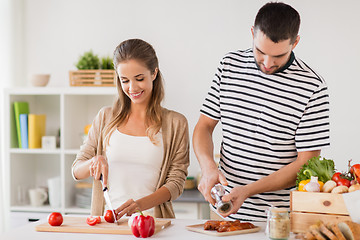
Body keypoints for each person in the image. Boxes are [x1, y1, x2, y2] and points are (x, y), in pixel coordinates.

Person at [193, 2, 330, 222]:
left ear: (295, 42)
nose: (267, 63)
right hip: (226, 213)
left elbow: (306, 163)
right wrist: (208, 167)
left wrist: (248, 190)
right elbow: (204, 127)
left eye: (278, 56)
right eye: (260, 51)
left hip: (279, 219)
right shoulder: (229, 65)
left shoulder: (312, 86)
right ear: (252, 34)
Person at [72, 39, 190, 219]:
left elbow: (176, 182)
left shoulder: (176, 123)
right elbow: (76, 171)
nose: (132, 88)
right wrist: (94, 161)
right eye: (125, 80)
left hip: (154, 224)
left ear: (154, 73)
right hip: (109, 224)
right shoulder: (105, 117)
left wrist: (140, 205)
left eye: (139, 78)